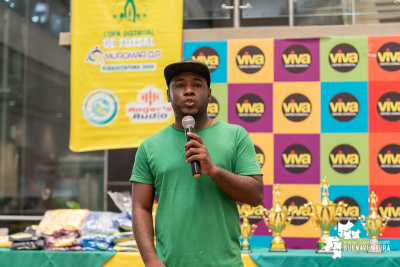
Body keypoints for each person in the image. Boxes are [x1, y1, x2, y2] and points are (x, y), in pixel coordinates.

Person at [131, 58, 264, 267]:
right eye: (180, 85)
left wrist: (213, 170)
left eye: (197, 85)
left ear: (209, 94)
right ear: (168, 95)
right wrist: (150, 259)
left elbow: (256, 195)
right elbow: (140, 207)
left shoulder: (236, 135)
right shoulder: (149, 146)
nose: (189, 90)